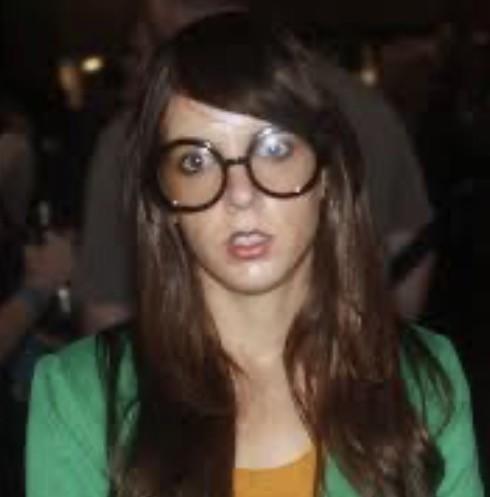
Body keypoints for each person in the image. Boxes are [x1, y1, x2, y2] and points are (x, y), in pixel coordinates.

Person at [27, 13, 483, 497]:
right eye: (196, 161)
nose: (240, 194)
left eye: (274, 148)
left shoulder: (423, 379)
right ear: (164, 200)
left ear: (326, 175)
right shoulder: (81, 399)